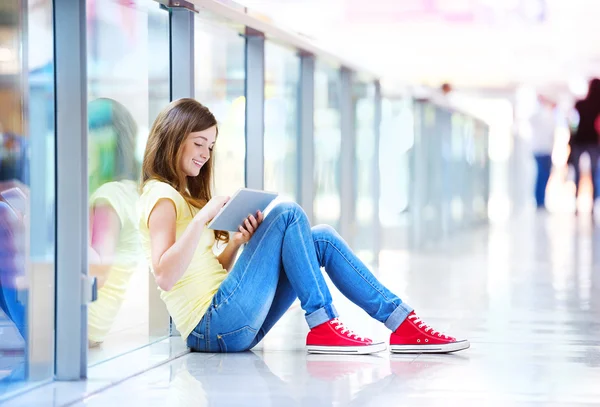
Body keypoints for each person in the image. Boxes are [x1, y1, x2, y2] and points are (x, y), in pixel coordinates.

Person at [139, 98, 470, 355]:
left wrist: (238, 241)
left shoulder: (184, 194)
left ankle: (403, 324)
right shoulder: (162, 197)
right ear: (174, 138)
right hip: (212, 326)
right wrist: (202, 218)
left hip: (225, 323)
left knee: (321, 239)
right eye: (198, 143)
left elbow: (206, 271)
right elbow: (165, 276)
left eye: (209, 147)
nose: (205, 154)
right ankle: (323, 323)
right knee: (287, 214)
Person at [569, 78, 600, 213]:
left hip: (579, 141)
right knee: (593, 174)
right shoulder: (598, 105)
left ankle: (577, 204)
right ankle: (592, 205)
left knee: (577, 173)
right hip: (593, 141)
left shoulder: (580, 104)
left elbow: (573, 125)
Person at [530, 96, 557, 209]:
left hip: (543, 150)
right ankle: (539, 200)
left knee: (542, 175)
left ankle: (540, 200)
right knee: (542, 175)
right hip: (542, 150)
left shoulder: (547, 116)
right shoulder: (544, 115)